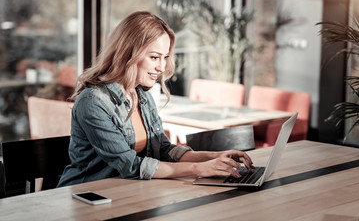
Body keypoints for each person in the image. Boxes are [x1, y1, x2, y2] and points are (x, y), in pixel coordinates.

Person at [57, 11, 254, 187]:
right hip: (85, 196)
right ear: (128, 54)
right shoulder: (93, 102)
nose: (161, 67)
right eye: (154, 57)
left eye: (165, 57)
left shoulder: (141, 95)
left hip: (126, 193)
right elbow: (131, 166)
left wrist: (216, 157)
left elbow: (164, 150)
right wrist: (198, 169)